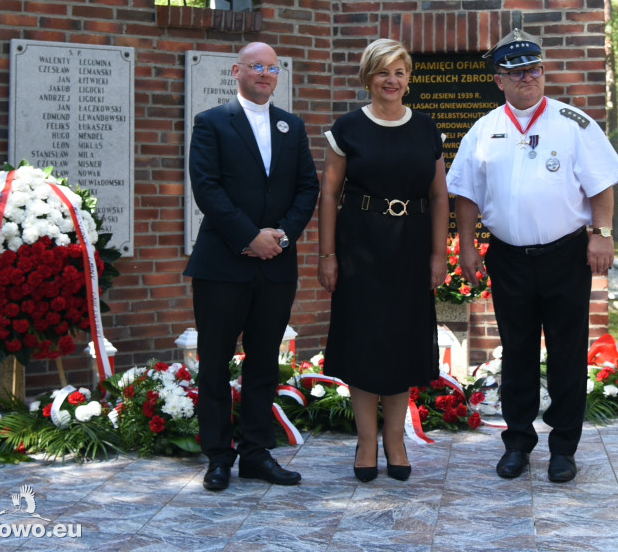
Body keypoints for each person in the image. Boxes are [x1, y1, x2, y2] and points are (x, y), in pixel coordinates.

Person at [446, 28, 618, 483]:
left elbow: (602, 183)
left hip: (566, 255)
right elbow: (466, 194)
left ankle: (564, 448)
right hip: (508, 256)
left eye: (535, 69)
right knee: (518, 352)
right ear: (499, 81)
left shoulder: (574, 123)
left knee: (568, 352)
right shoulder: (483, 130)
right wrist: (467, 244)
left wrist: (602, 234)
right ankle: (518, 443)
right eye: (517, 72)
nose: (528, 77)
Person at [185, 42, 319, 491]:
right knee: (216, 364)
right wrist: (249, 237)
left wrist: (280, 235)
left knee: (264, 363)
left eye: (272, 68)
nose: (265, 74)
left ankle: (257, 454)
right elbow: (207, 188)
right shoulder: (212, 123)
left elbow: (307, 188)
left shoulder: (291, 126)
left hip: (277, 264)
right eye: (256, 66)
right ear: (237, 71)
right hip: (223, 265)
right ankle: (219, 456)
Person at [317, 38, 449, 482]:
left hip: (410, 247)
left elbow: (439, 196)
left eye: (399, 72)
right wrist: (328, 255)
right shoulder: (348, 128)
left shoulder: (427, 129)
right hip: (360, 247)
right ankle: (367, 440)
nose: (391, 80)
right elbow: (330, 195)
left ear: (408, 78)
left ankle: (396, 438)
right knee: (364, 341)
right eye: (382, 72)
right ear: (367, 78)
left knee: (403, 341)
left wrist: (438, 254)